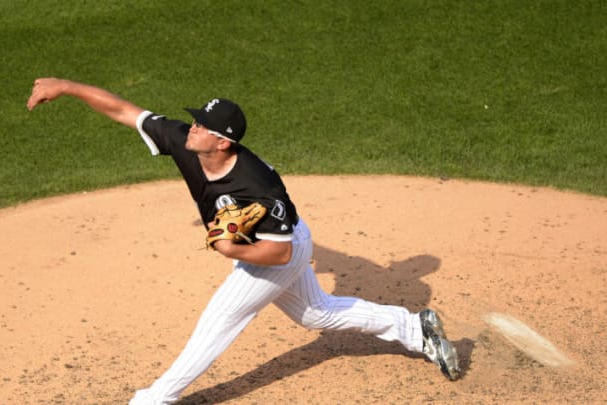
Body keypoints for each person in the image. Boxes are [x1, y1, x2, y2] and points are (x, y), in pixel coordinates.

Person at [26, 78, 461, 404]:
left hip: (277, 250)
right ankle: (415, 329)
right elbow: (127, 111)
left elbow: (282, 252)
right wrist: (65, 87)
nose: (192, 127)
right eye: (196, 120)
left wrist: (233, 250)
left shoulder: (255, 183)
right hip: (284, 239)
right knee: (318, 314)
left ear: (222, 141)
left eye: (203, 125)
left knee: (219, 320)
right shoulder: (188, 143)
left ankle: (154, 399)